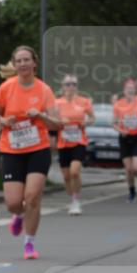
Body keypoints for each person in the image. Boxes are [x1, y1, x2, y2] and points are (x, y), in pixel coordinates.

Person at [0, 46, 57, 259]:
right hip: (11, 149)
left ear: (34, 63)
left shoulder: (44, 90)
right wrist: (4, 121)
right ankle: (18, 216)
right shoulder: (6, 88)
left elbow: (58, 123)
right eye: (18, 61)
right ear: (14, 64)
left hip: (37, 149)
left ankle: (29, 242)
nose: (22, 64)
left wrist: (41, 116)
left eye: (26, 60)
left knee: (32, 197)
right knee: (13, 202)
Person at [54, 76, 95, 214]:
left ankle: (76, 201)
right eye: (67, 84)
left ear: (77, 87)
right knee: (66, 176)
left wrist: (86, 123)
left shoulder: (84, 102)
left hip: (79, 141)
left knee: (75, 172)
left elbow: (92, 118)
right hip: (63, 142)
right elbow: (51, 120)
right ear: (62, 87)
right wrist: (59, 121)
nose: (71, 87)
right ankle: (72, 197)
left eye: (73, 84)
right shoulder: (57, 103)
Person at [112, 79, 137, 201]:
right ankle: (132, 191)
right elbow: (114, 123)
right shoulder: (118, 104)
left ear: (135, 90)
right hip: (125, 138)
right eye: (127, 88)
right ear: (124, 91)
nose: (130, 90)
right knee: (129, 169)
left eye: (132, 88)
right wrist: (121, 130)